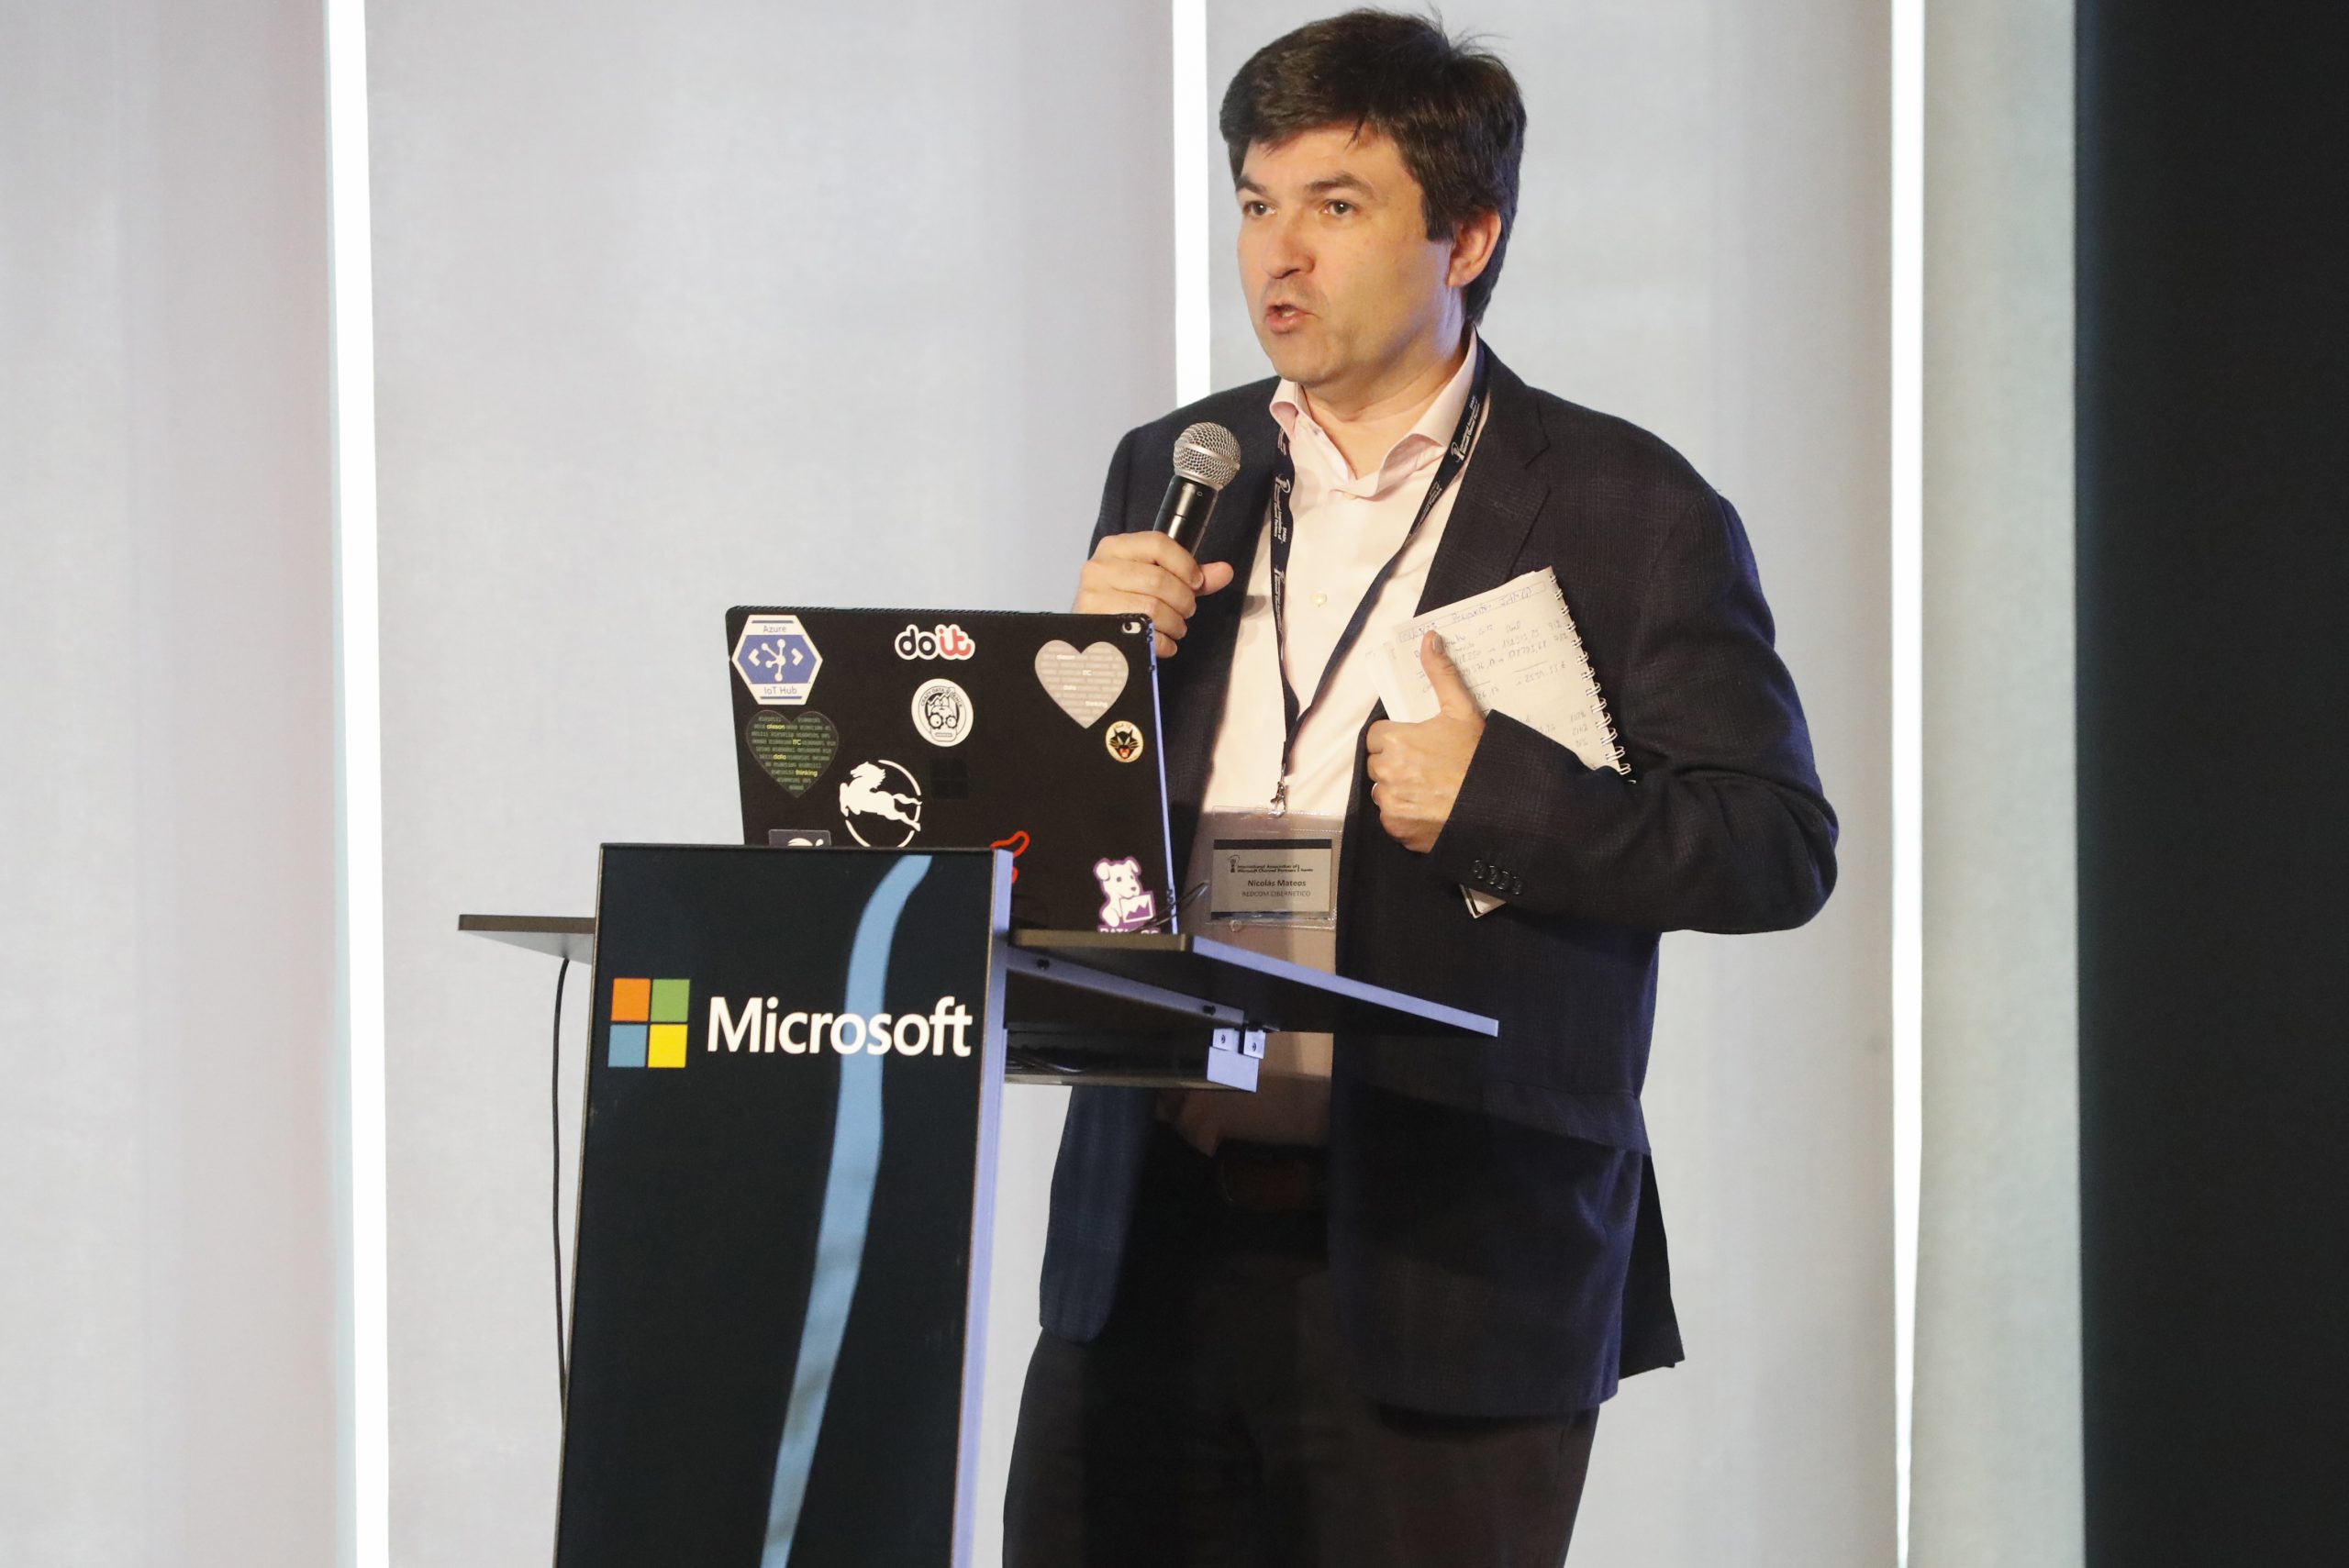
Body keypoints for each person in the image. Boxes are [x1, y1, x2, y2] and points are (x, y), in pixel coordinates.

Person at [1004, 13, 1837, 1566]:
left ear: (1468, 236)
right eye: (1258, 203)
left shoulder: (1627, 506)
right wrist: (1083, 687)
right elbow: (1080, 856)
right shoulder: (1176, 468)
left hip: (1453, 1266)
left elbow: (1774, 844)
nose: (1279, 253)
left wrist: (1502, 802)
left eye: (1336, 204)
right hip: (1151, 1243)